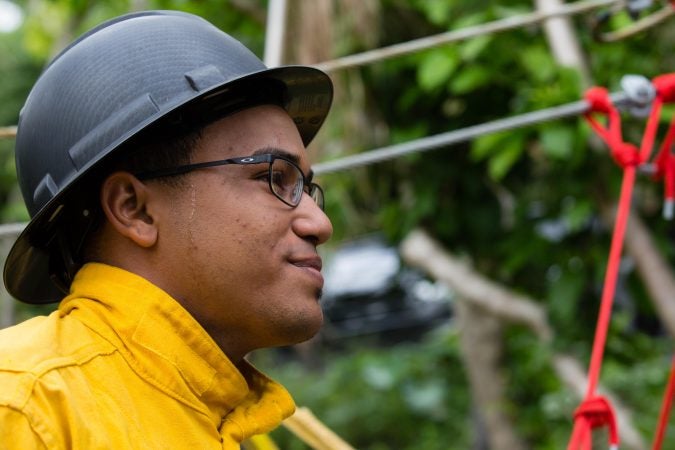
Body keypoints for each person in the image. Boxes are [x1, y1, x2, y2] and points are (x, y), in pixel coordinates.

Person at [0, 10, 333, 449]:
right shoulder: (27, 406)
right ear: (134, 209)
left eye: (306, 188)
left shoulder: (220, 420)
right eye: (274, 177)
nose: (319, 223)